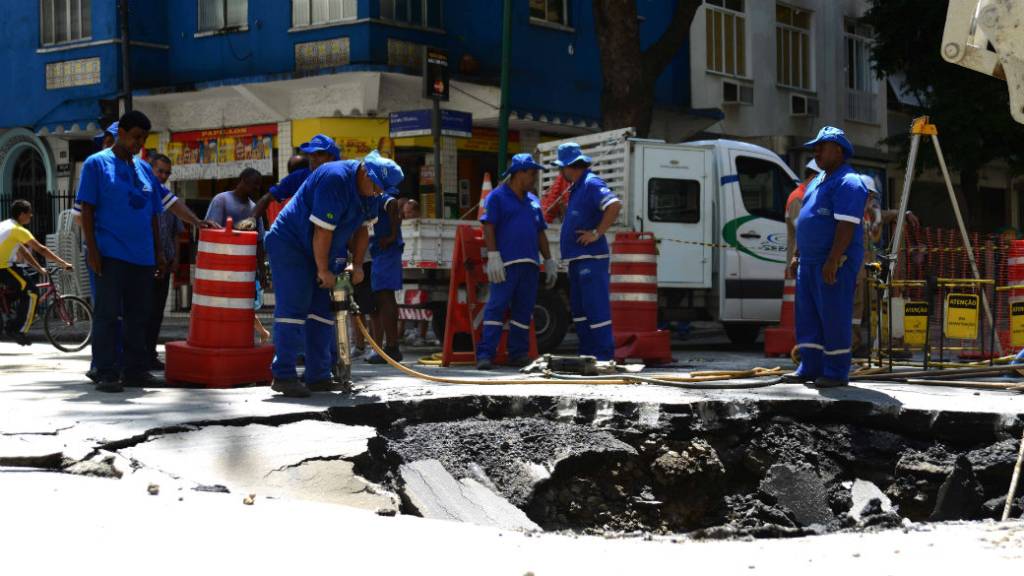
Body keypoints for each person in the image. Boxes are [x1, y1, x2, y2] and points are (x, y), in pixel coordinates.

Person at [265, 150, 403, 398]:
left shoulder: (371, 191)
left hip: (323, 248)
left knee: (322, 313)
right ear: (363, 171)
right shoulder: (335, 178)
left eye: (382, 190)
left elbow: (362, 230)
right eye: (376, 186)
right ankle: (283, 375)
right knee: (294, 308)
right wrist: (323, 270)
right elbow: (322, 231)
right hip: (291, 244)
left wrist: (358, 264)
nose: (377, 193)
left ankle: (317, 376)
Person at [76, 110, 189, 392]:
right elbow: (87, 210)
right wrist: (92, 250)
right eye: (136, 137)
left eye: (143, 138)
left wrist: (159, 254)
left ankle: (135, 369)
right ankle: (105, 370)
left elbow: (154, 214)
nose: (139, 143)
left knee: (140, 315)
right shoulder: (96, 164)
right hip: (110, 252)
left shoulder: (144, 169)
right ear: (121, 134)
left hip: (142, 256)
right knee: (108, 313)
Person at [783, 126, 869, 388]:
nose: (816, 151)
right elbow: (807, 221)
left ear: (839, 150)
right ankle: (809, 365)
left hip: (833, 262)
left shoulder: (849, 182)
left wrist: (833, 259)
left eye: (822, 146)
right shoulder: (817, 181)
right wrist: (798, 254)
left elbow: (846, 225)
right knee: (808, 316)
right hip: (809, 262)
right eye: (814, 147)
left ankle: (835, 371)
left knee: (833, 315)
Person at [476, 154, 558, 370]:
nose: (534, 179)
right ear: (519, 173)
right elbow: (488, 226)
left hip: (530, 265)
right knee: (496, 308)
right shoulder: (497, 197)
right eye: (531, 174)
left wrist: (548, 259)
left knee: (523, 311)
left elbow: (540, 232)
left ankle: (518, 354)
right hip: (507, 264)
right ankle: (486, 354)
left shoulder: (533, 201)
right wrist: (494, 256)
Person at [554, 143, 621, 361]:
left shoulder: (591, 183)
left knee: (595, 308)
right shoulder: (577, 187)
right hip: (577, 259)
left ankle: (603, 355)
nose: (559, 173)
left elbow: (613, 205)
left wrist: (596, 233)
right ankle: (587, 354)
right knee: (581, 311)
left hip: (591, 260)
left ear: (570, 166)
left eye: (560, 168)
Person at [851, 174, 919, 357]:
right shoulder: (850, 213)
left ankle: (877, 343)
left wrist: (904, 213)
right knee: (856, 306)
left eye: (873, 196)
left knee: (875, 303)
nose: (871, 199)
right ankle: (853, 344)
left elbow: (888, 215)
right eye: (869, 195)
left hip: (870, 265)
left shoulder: (872, 213)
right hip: (855, 265)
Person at [0, 200, 73, 345]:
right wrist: (63, 263)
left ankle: (6, 306)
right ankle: (17, 329)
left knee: (23, 285)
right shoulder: (18, 230)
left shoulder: (7, 224)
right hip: (3, 267)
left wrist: (39, 269)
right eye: (29, 213)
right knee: (32, 292)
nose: (31, 216)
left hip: (6, 266)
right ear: (21, 214)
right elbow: (41, 249)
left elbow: (23, 251)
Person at [145, 154, 184, 370]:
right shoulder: (143, 194)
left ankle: (150, 354)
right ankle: (139, 355)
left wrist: (176, 259)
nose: (163, 176)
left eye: (167, 173)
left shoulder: (169, 199)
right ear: (151, 170)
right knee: (144, 311)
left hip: (166, 264)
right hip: (146, 263)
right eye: (160, 171)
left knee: (157, 311)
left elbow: (177, 233)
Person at [251, 135, 339, 222]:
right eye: (311, 154)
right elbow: (267, 197)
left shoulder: (344, 178)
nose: (313, 158)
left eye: (319, 154)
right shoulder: (299, 177)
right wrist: (251, 219)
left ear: (332, 157)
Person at [365, 191, 406, 364]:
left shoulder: (380, 195)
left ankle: (392, 347)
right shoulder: (370, 197)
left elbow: (393, 204)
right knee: (380, 298)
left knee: (385, 295)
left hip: (386, 249)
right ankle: (386, 347)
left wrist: (392, 236)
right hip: (377, 250)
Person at [785, 159, 823, 268]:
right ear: (813, 177)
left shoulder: (809, 197)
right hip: (796, 265)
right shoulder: (798, 198)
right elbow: (804, 231)